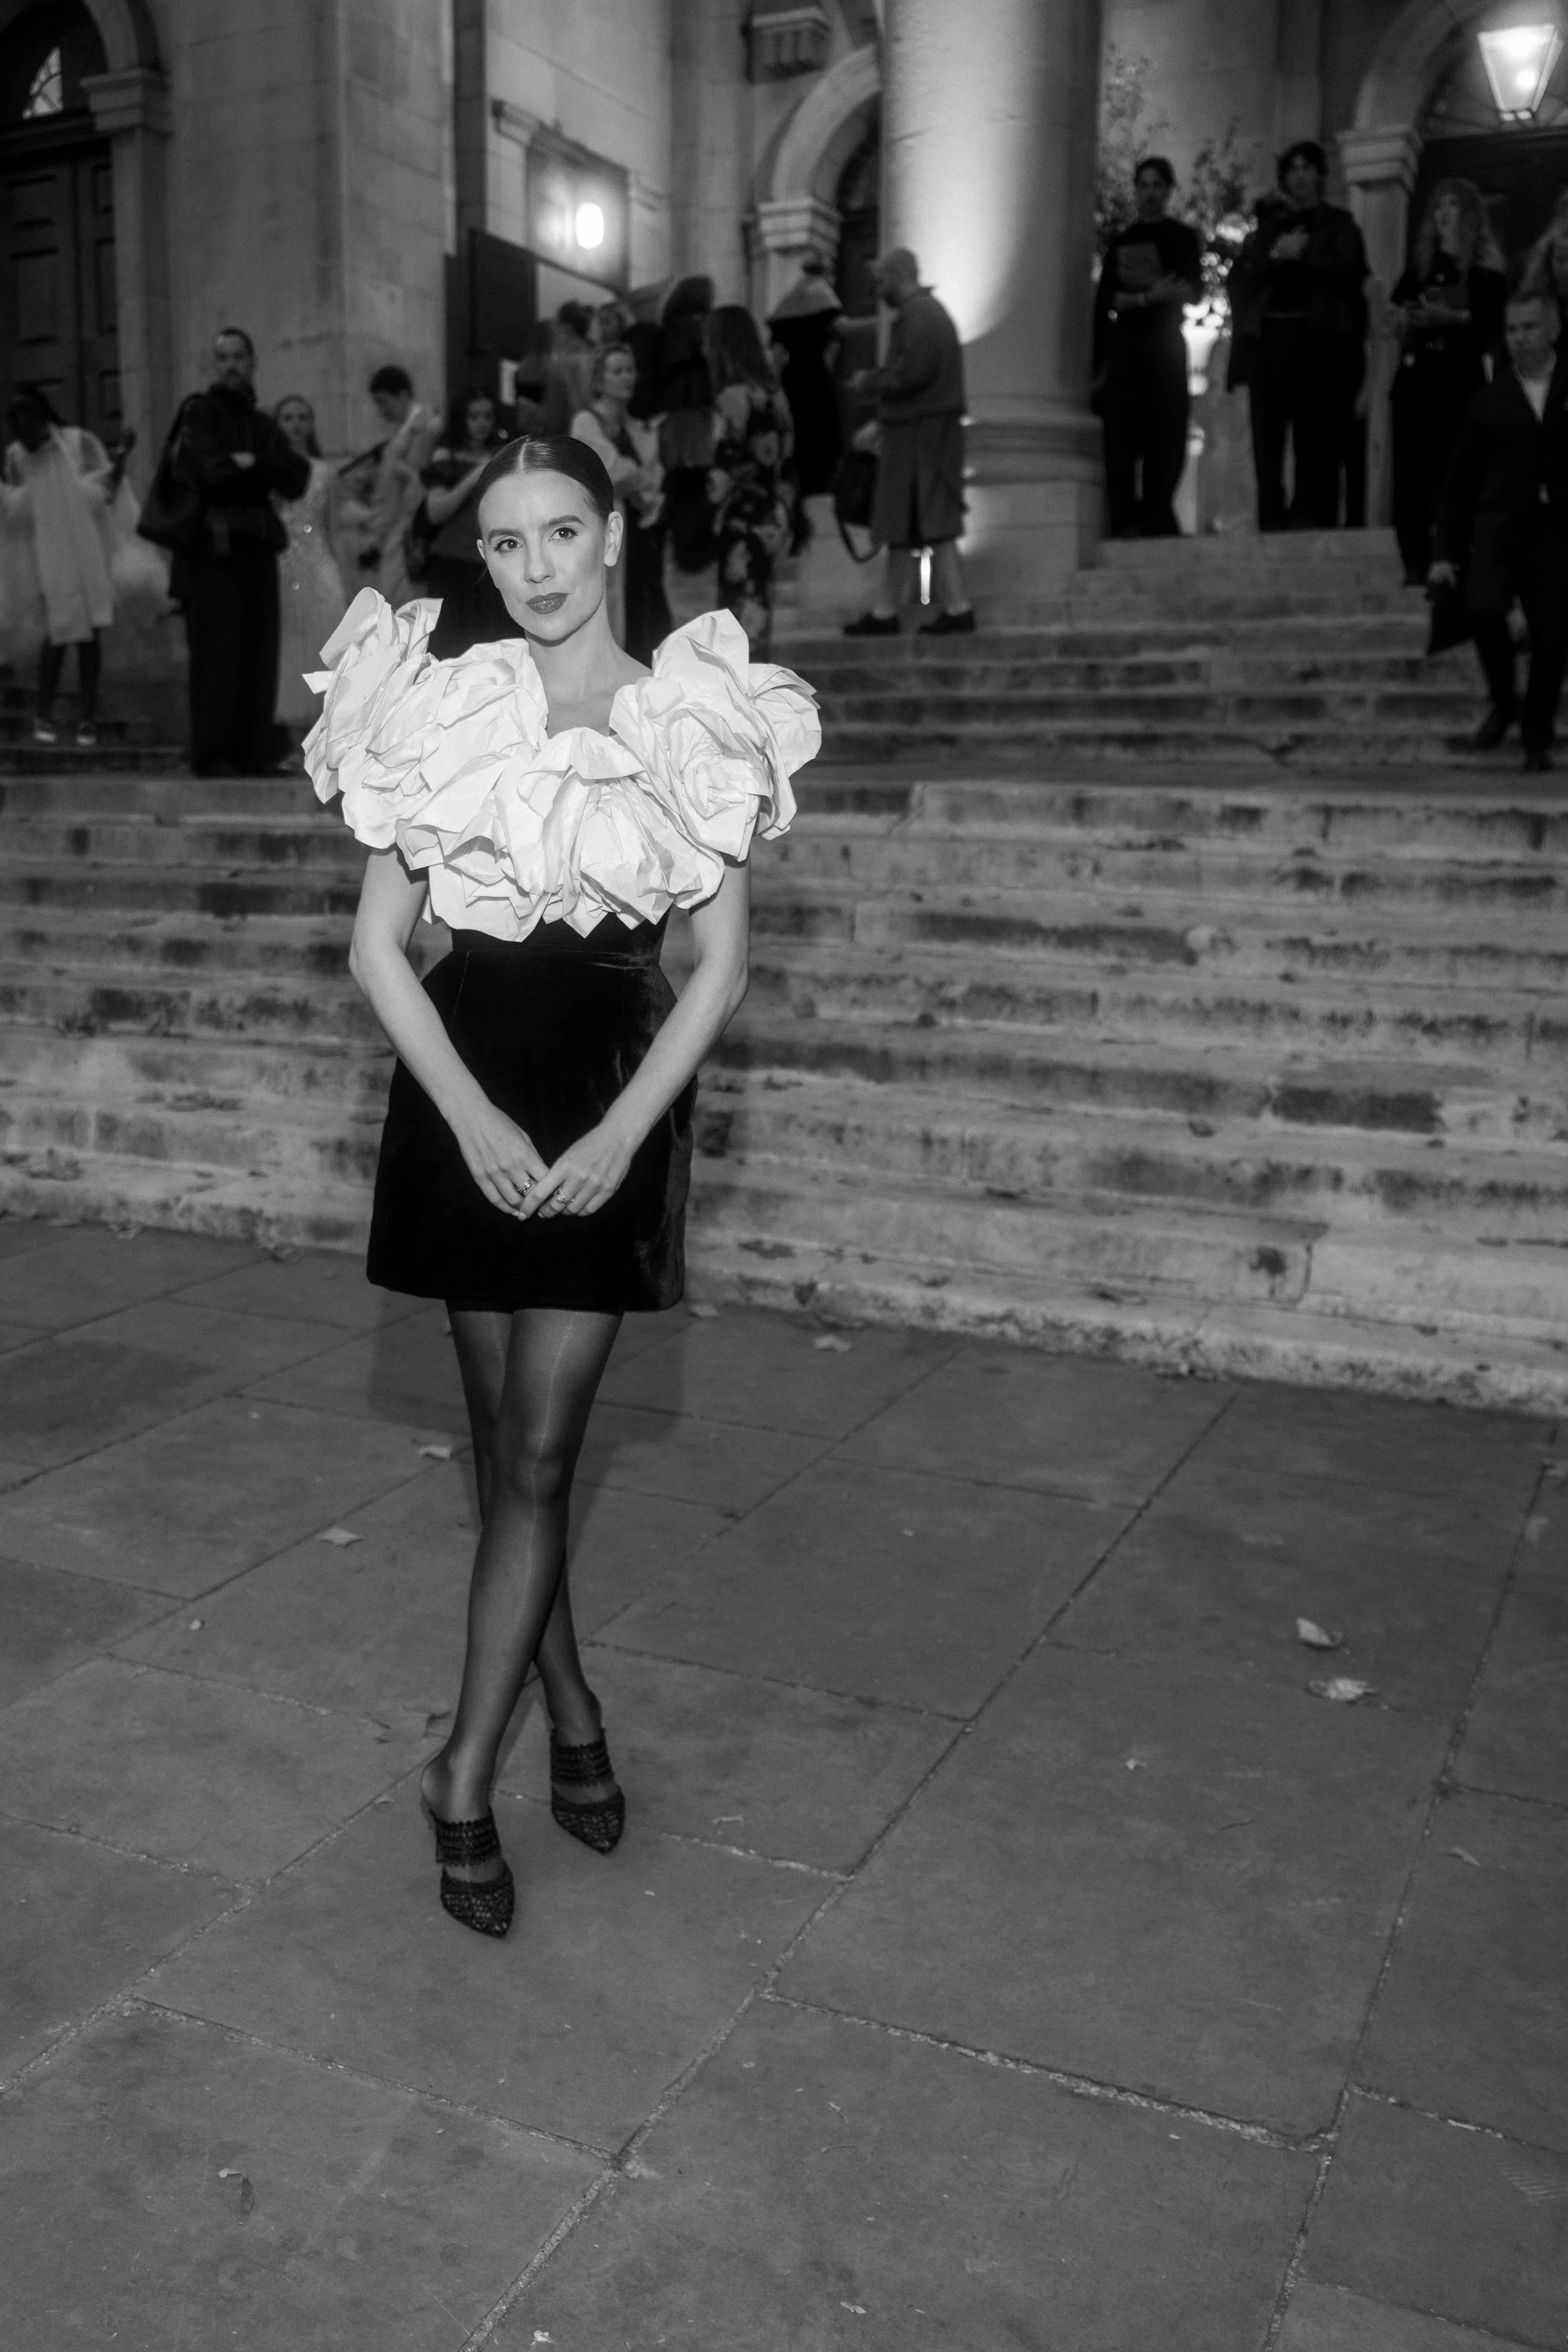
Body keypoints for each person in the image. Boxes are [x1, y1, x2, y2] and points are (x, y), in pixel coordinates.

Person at [302, 433, 820, 1937]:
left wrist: (615, 1141)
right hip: (468, 1098)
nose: (532, 566)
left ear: (613, 535)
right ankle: (571, 1699)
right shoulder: (449, 706)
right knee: (501, 1443)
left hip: (611, 1097)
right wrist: (466, 1119)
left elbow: (716, 968)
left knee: (535, 1453)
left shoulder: (692, 712)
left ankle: (460, 1773)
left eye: (561, 533)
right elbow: (375, 947)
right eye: (509, 541)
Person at [1431, 287, 1568, 774]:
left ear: (1553, 328)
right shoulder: (1489, 401)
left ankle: (1536, 737)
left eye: (1530, 327)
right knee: (1483, 607)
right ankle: (1503, 698)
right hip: (1499, 527)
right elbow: (1459, 482)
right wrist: (1445, 551)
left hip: (1555, 534)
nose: (1520, 338)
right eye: (1512, 329)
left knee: (1553, 638)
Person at [161, 328, 309, 777]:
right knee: (217, 653)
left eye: (239, 356)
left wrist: (250, 466)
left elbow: (295, 476)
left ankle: (254, 751)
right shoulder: (198, 414)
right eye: (222, 356)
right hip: (213, 551)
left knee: (260, 650)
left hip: (258, 548)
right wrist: (255, 469)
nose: (230, 364)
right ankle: (215, 752)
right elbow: (210, 473)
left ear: (252, 361)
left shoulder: (264, 424)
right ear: (213, 364)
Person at [1236, 142, 1369, 531]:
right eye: (1292, 169)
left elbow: (1351, 271)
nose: (1299, 176)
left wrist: (1304, 255)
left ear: (1321, 175)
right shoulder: (1268, 229)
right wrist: (1276, 257)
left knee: (1316, 430)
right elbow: (1246, 279)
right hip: (1270, 337)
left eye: (1307, 168)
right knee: (1268, 432)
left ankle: (1311, 512)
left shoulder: (1339, 223)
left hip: (1318, 338)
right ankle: (1271, 514)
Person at [844, 247, 972, 635]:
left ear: (899, 277)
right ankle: (891, 611)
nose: (877, 290)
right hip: (917, 434)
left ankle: (954, 608)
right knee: (910, 525)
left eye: (881, 281)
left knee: (929, 523)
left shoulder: (920, 316)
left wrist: (869, 383)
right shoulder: (926, 314)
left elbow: (912, 373)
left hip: (922, 438)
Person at [0, 388, 135, 747]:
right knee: (56, 634)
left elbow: (104, 488)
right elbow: (15, 509)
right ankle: (44, 714)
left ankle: (87, 718)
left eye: (28, 419)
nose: (23, 429)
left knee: (90, 634)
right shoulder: (16, 455)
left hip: (86, 549)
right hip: (45, 555)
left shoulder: (77, 442)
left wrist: (122, 458)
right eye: (16, 423)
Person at [1389, 179, 1507, 584]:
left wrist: (1454, 319)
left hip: (1460, 381)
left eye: (1454, 205)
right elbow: (1397, 316)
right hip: (1417, 379)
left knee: (1457, 468)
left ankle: (1455, 554)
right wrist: (1405, 321)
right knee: (1410, 472)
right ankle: (1415, 560)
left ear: (1470, 213)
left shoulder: (1486, 274)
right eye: (1439, 206)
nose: (1445, 213)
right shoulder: (1420, 270)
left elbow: (1493, 327)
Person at [1093, 156, 1204, 538]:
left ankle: (1159, 513)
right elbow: (1110, 300)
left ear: (1169, 190)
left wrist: (1157, 296)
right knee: (1122, 432)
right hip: (1128, 346)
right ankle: (1125, 516)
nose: (1150, 192)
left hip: (1167, 344)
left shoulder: (1183, 238)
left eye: (1157, 185)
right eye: (1143, 185)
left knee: (1168, 430)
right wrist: (1152, 296)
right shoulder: (1122, 242)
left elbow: (1192, 291)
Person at [570, 342, 670, 660]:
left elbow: (651, 478)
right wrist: (635, 480)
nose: (627, 377)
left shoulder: (637, 428)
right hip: (610, 533)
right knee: (614, 610)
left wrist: (637, 481)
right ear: (600, 380)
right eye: (618, 371)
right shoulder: (586, 421)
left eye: (630, 370)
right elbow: (607, 476)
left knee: (647, 611)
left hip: (642, 533)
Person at [705, 305, 795, 650]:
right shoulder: (777, 396)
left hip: (739, 518)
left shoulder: (731, 397)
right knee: (758, 613)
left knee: (734, 621)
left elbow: (721, 466)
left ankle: (739, 703)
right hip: (771, 514)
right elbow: (787, 459)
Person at [272, 395, 347, 744]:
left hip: (319, 565)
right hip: (282, 565)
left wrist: (340, 570)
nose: (296, 424)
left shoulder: (324, 471)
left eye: (303, 417)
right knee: (289, 648)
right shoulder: (269, 469)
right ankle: (292, 742)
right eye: (288, 417)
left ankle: (328, 743)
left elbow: (332, 526)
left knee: (326, 645)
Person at [767, 252, 844, 506]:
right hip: (815, 383)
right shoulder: (822, 294)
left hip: (792, 382)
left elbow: (777, 355)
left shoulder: (789, 301)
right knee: (819, 447)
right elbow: (840, 327)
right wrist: (884, 321)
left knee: (798, 447)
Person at [420, 388, 506, 601]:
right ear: (461, 419)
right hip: (454, 561)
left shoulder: (502, 453)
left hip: (492, 560)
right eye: (474, 416)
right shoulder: (446, 455)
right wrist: (472, 479)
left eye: (488, 416)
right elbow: (435, 513)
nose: (482, 423)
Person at [366, 364, 437, 611]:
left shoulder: (424, 427)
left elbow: (419, 477)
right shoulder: (407, 428)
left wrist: (397, 466)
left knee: (400, 599)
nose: (381, 410)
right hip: (394, 520)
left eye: (384, 402)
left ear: (404, 395)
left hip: (407, 523)